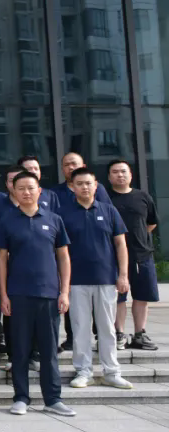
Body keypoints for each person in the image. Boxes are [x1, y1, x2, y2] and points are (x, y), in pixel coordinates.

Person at [0, 171, 75, 416]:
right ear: (13, 191)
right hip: (18, 294)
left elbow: (63, 257)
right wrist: (3, 295)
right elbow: (1, 260)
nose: (26, 192)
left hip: (49, 294)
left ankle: (53, 399)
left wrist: (64, 292)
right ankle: (21, 397)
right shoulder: (7, 221)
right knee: (19, 349)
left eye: (31, 187)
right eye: (21, 188)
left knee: (49, 351)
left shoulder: (54, 219)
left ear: (39, 191)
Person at [58, 168, 132, 390]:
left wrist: (123, 275)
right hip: (76, 280)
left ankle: (112, 372)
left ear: (96, 185)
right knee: (80, 328)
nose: (84, 187)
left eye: (88, 183)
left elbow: (121, 244)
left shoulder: (109, 210)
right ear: (72, 187)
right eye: (79, 184)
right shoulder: (63, 213)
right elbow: (59, 251)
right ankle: (84, 371)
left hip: (106, 278)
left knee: (107, 328)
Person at [107, 160, 160, 351]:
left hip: (142, 254)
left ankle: (140, 334)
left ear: (130, 175)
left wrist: (139, 238)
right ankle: (118, 334)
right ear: (109, 177)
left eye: (123, 171)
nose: (120, 175)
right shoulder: (105, 198)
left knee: (142, 296)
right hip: (113, 256)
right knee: (118, 297)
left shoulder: (143, 196)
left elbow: (151, 223)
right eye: (115, 172)